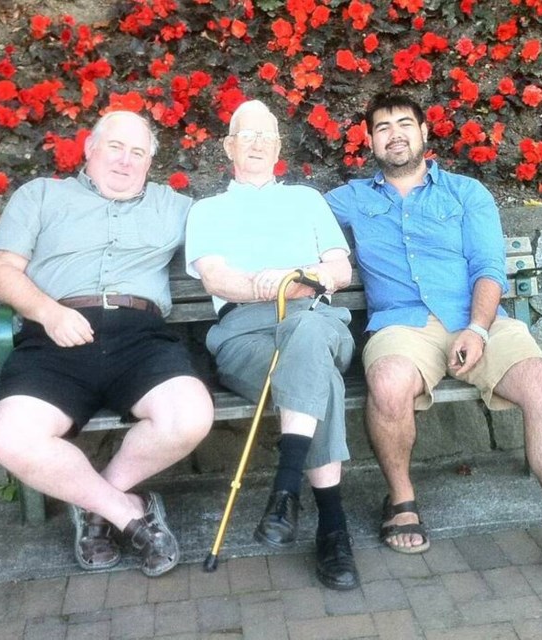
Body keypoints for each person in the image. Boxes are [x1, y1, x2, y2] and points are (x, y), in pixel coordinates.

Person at [325, 92, 542, 604]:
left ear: (425, 133)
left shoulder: (466, 193)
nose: (394, 134)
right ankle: (400, 500)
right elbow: (288, 220)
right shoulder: (349, 199)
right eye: (381, 127)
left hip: (479, 320)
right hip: (403, 325)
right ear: (369, 140)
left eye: (404, 123)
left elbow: (490, 268)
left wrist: (479, 329)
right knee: (388, 380)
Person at [0, 111, 214, 578]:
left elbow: (236, 243)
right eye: (115, 147)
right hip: (55, 335)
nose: (125, 161)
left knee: (189, 416)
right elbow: (0, 270)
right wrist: (49, 312)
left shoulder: (178, 208)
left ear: (150, 162)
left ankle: (97, 509)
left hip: (140, 338)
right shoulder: (41, 196)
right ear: (89, 150)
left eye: (138, 153)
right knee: (11, 436)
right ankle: (130, 514)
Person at [184, 100, 360, 590]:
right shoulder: (208, 210)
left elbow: (339, 270)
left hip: (316, 320)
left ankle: (286, 489)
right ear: (229, 146)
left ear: (280, 147)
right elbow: (218, 278)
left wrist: (292, 280)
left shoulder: (306, 201)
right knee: (316, 376)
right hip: (246, 335)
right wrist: (287, 282)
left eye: (267, 135)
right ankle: (332, 525)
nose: (258, 143)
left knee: (306, 336)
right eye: (247, 134)